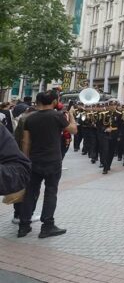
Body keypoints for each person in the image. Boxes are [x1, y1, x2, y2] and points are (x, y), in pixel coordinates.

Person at [18, 90, 77, 238]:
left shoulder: (30, 118)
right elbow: (73, 130)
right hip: (52, 161)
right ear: (54, 102)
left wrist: (26, 160)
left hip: (34, 160)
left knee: (30, 193)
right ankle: (47, 226)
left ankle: (23, 225)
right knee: (51, 192)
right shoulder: (57, 116)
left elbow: (26, 141)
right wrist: (71, 115)